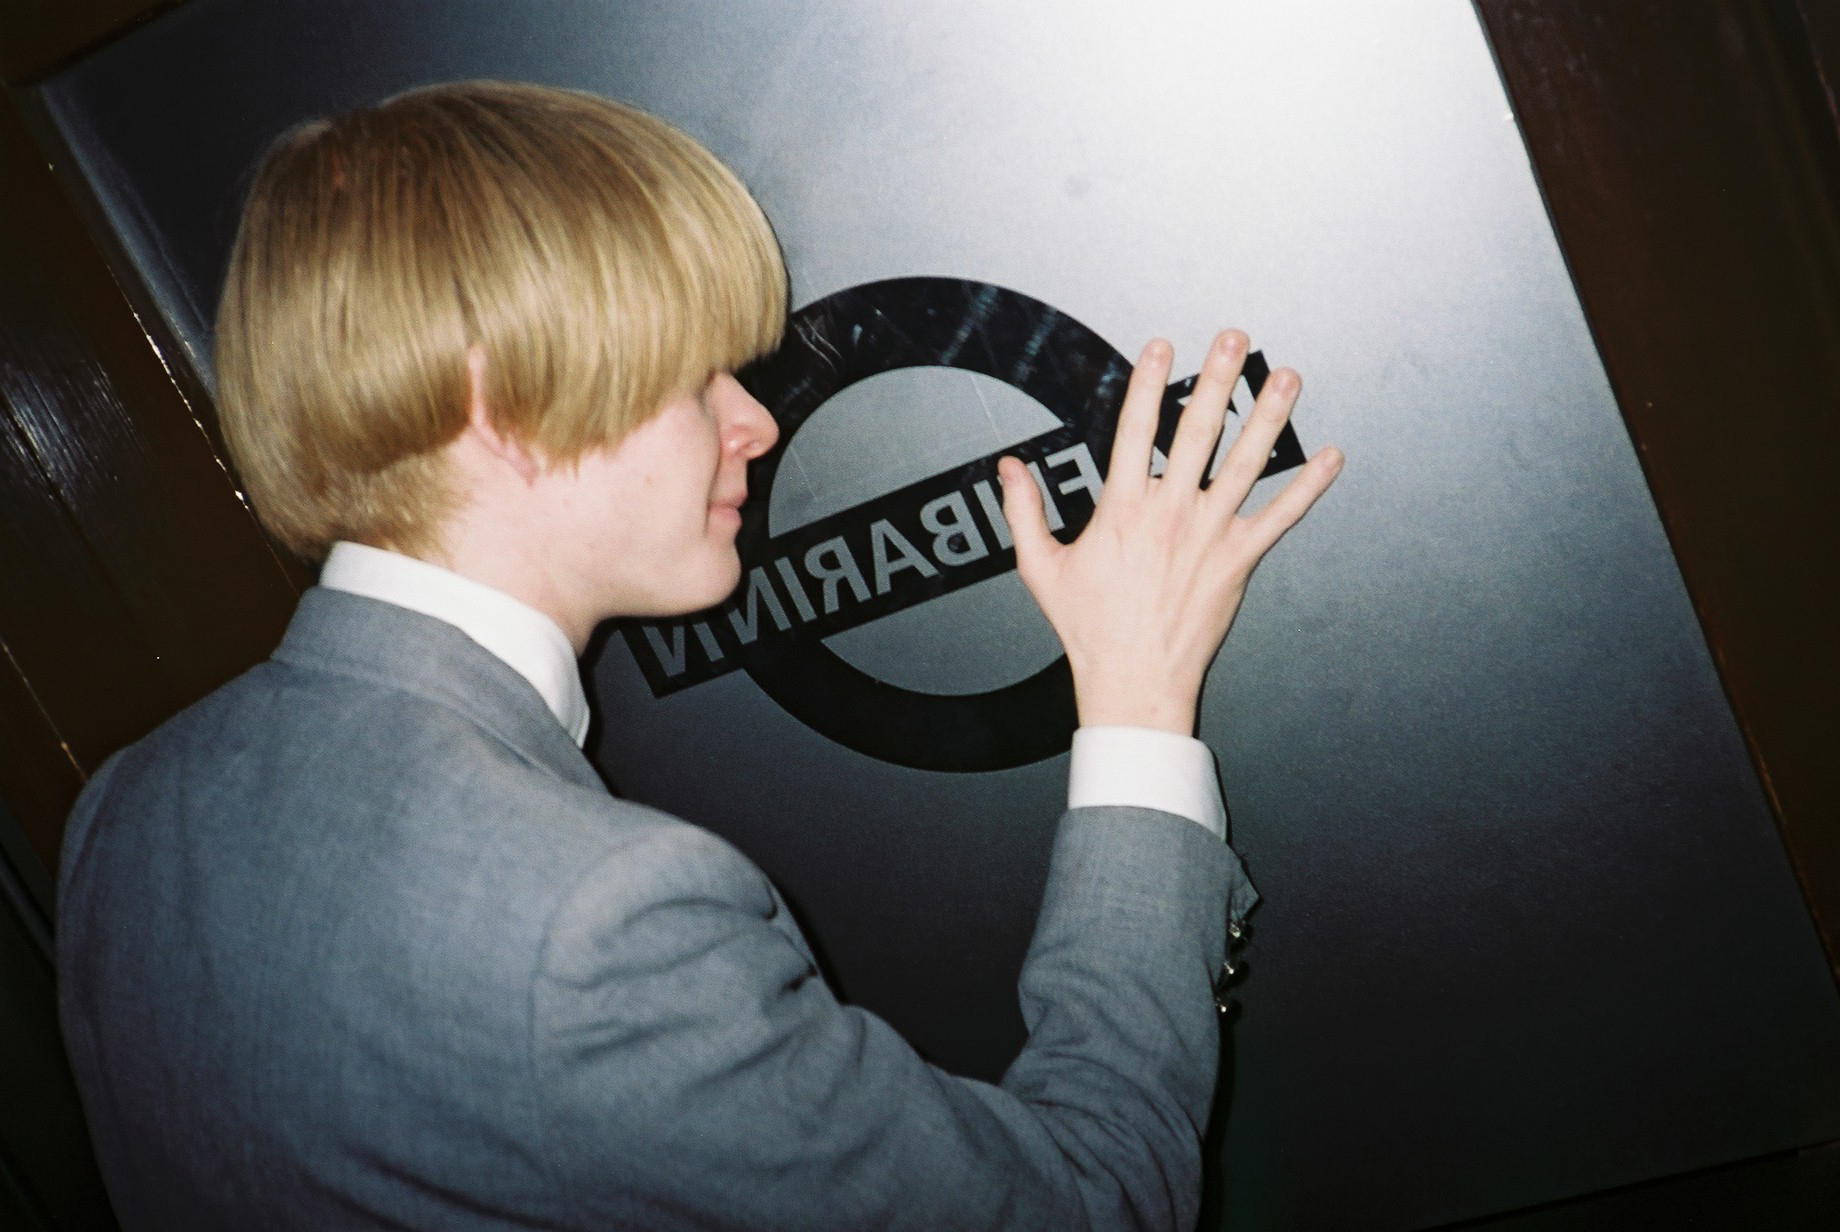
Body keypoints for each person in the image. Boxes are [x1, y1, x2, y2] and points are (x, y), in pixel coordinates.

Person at [56, 81, 1341, 1230]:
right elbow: (1093, 1200)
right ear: (497, 406)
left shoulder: (128, 807)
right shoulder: (598, 922)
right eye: (695, 376)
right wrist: (1135, 697)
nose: (753, 424)